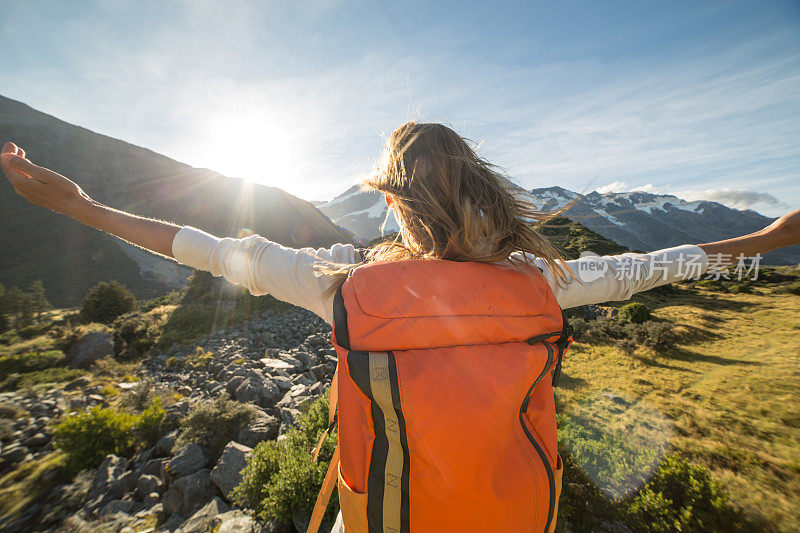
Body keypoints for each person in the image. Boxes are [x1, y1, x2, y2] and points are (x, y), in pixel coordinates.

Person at [1, 122, 798, 532]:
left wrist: (80, 207)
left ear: (392, 200)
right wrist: (766, 240)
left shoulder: (346, 283)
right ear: (481, 189)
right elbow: (654, 266)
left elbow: (219, 252)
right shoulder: (541, 284)